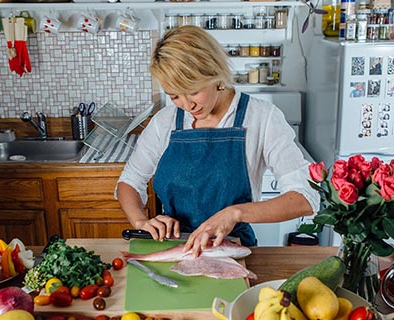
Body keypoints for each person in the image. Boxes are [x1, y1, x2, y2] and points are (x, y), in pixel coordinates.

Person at [115, 26, 319, 256]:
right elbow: (130, 182)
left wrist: (235, 214)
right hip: (173, 248)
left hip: (231, 248)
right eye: (174, 96)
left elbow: (305, 198)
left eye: (192, 91)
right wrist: (141, 222)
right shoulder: (165, 121)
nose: (187, 104)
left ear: (214, 73)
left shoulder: (262, 117)